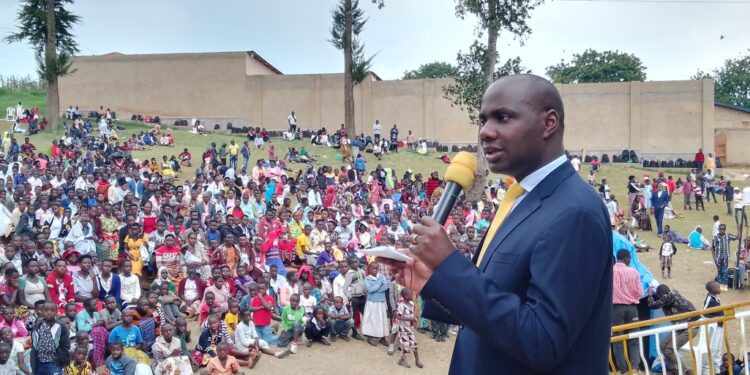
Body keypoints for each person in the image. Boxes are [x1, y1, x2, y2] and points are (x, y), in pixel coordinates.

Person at [382, 74, 612, 373]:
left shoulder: (574, 212)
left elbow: (542, 341)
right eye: (483, 120)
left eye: (503, 117)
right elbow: (498, 300)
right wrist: (433, 279)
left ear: (549, 123)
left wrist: (451, 263)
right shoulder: (520, 199)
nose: (485, 132)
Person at [647, 284, 698, 375]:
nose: (658, 298)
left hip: (690, 327)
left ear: (661, 294)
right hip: (680, 327)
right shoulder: (670, 296)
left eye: (658, 296)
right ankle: (673, 369)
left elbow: (651, 305)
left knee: (670, 349)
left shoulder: (668, 296)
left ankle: (687, 371)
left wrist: (650, 294)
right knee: (663, 345)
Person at [610, 250, 642, 374]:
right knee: (634, 337)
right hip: (632, 309)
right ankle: (635, 368)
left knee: (618, 339)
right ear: (625, 258)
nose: (630, 261)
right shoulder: (633, 272)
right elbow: (639, 292)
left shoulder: (610, 272)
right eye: (629, 258)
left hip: (616, 309)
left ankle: (622, 369)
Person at [31, 302, 71, 375]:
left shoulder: (61, 326)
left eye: (52, 310)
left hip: (54, 363)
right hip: (39, 363)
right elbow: (34, 345)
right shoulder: (37, 326)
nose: (49, 312)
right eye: (46, 310)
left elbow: (66, 345)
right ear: (42, 311)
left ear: (56, 312)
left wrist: (59, 359)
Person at [703, 281, 724, 375]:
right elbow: (703, 314)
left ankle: (717, 369)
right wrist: (716, 319)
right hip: (713, 328)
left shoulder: (716, 298)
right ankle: (706, 370)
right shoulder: (709, 300)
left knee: (718, 348)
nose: (720, 289)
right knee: (712, 348)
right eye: (718, 287)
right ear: (712, 289)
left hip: (720, 327)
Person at [712, 224, 737, 291]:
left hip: (725, 257)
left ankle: (725, 284)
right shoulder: (715, 237)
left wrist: (739, 229)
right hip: (718, 257)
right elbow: (712, 248)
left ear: (725, 230)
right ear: (718, 229)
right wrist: (714, 258)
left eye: (723, 229)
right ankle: (720, 284)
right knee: (719, 270)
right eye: (720, 229)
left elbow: (737, 237)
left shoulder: (728, 236)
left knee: (725, 271)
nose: (722, 231)